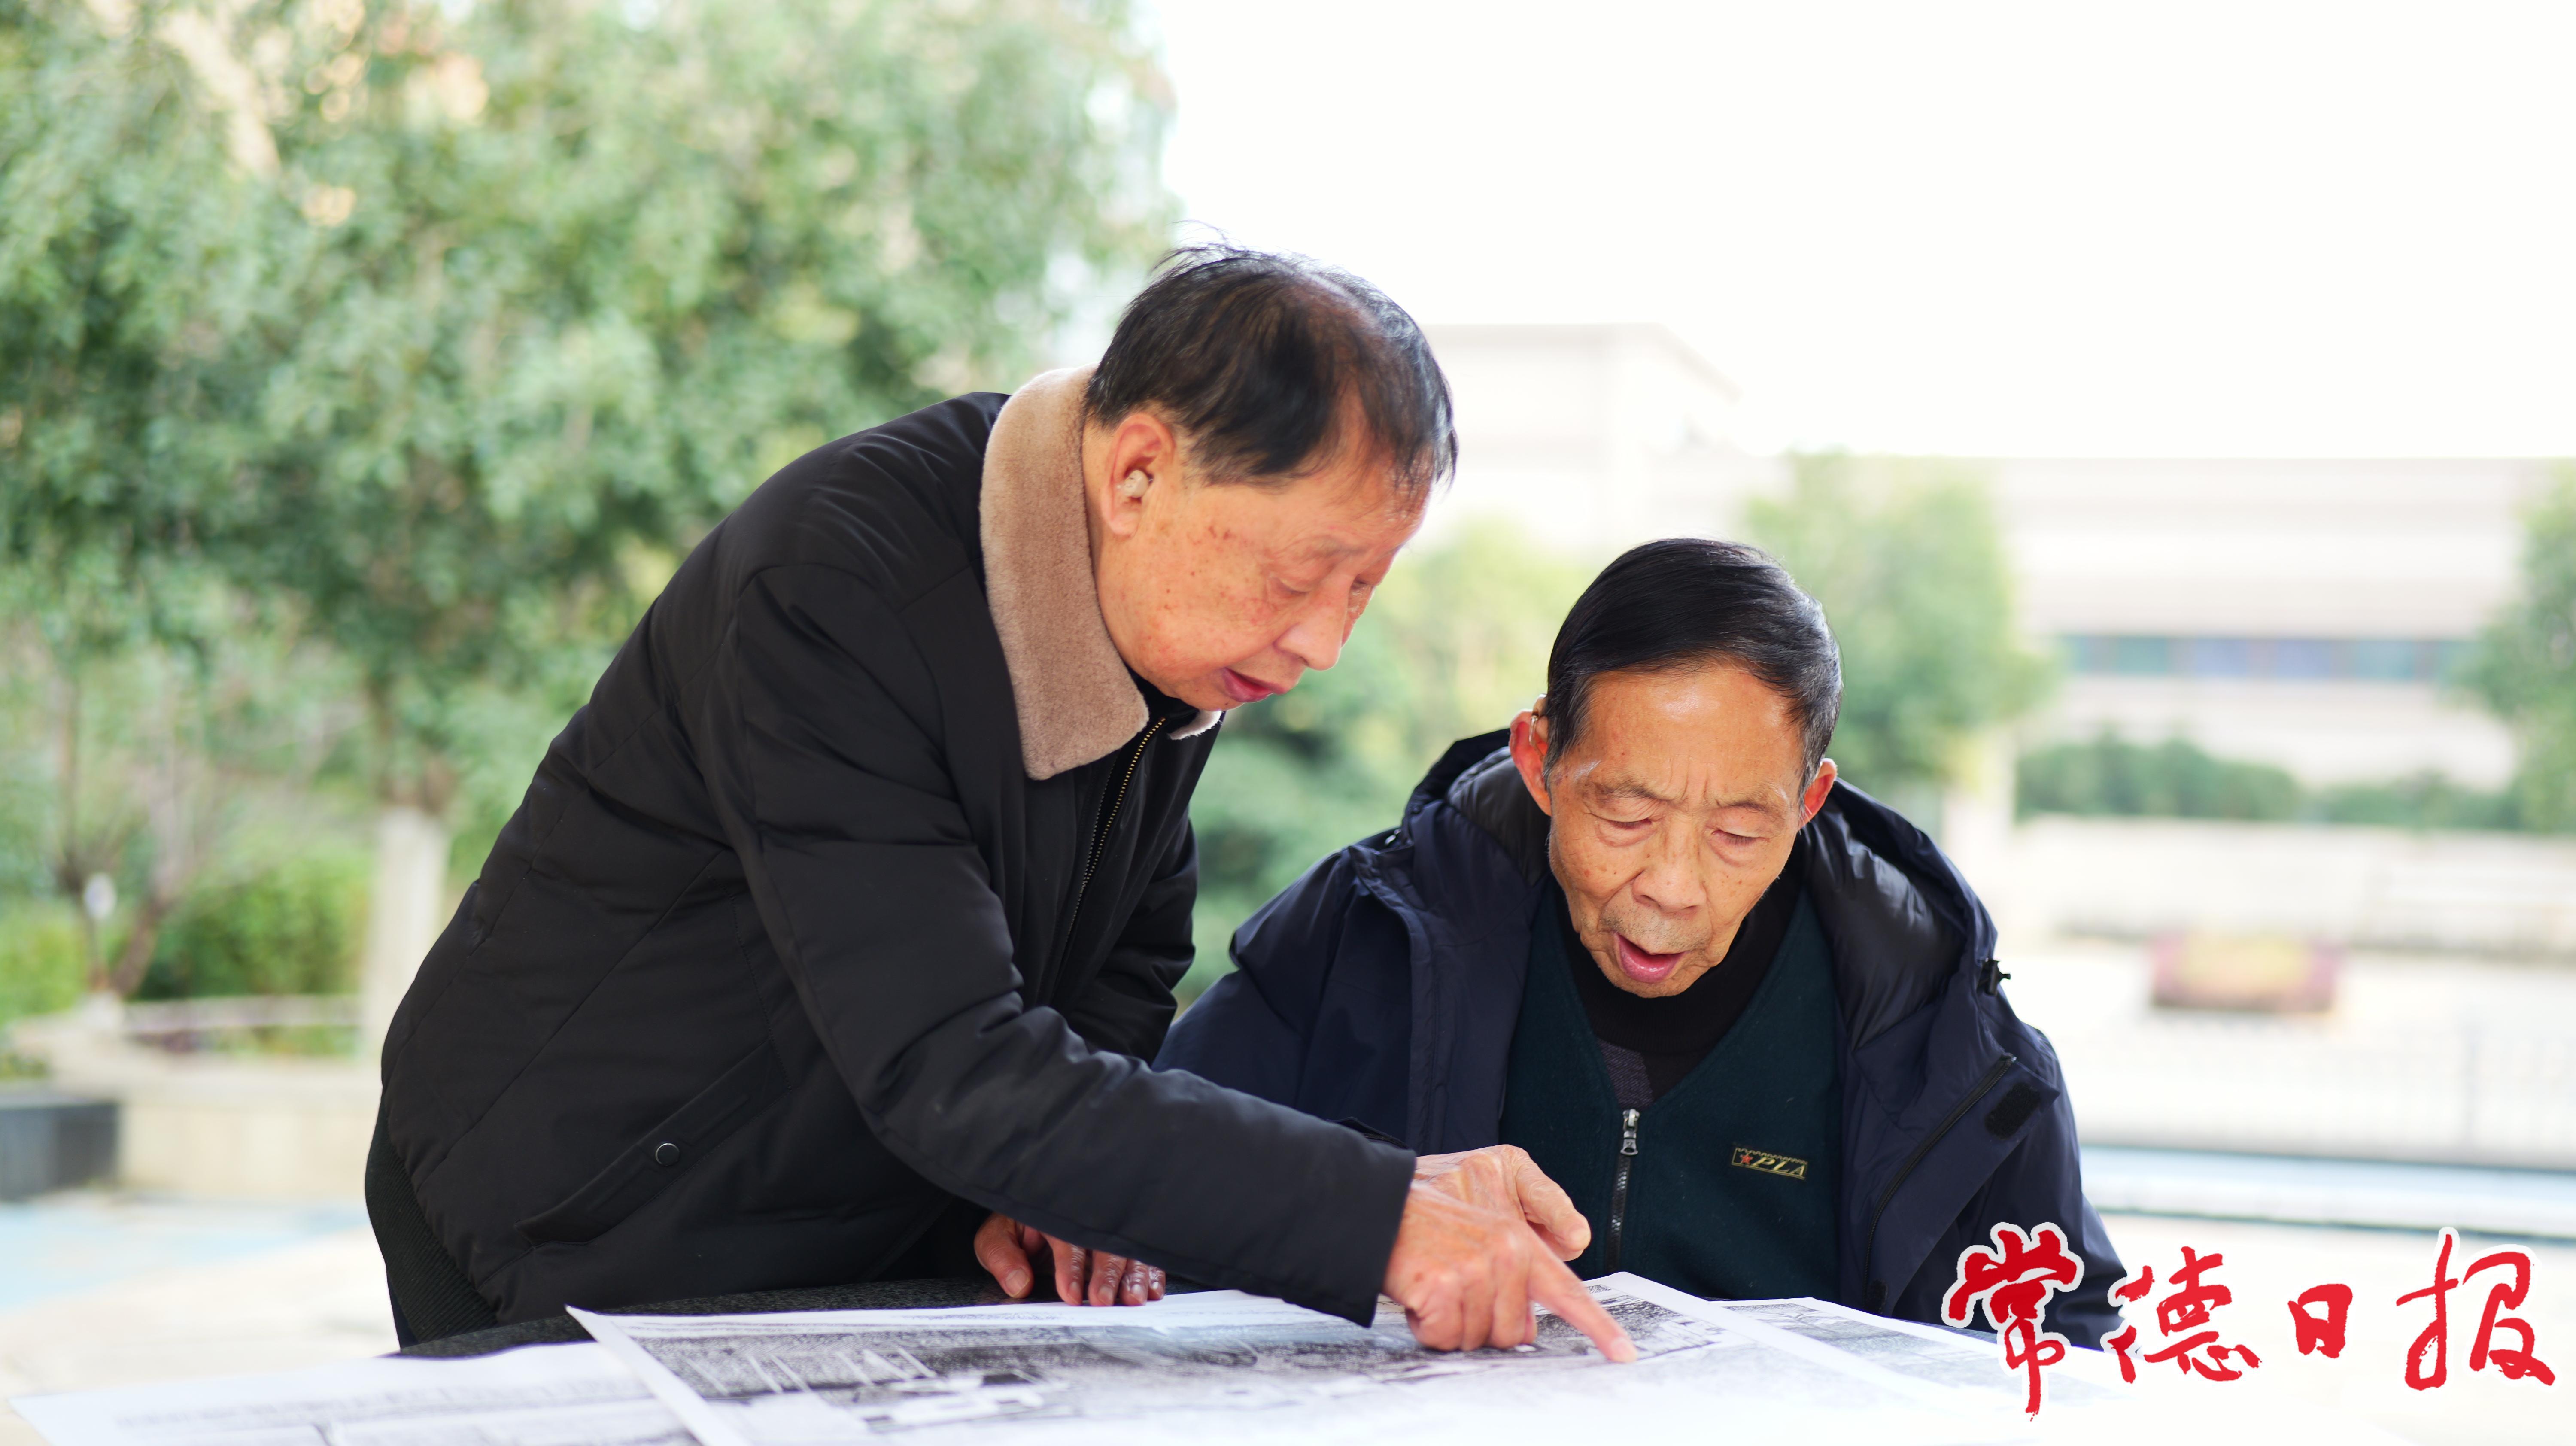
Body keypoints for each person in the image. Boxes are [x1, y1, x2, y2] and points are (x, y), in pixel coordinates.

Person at [366, 246, 1632, 1362]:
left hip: (836, 1224)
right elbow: (951, 1064)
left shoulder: (1166, 623)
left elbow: (1129, 943)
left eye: (1363, 587)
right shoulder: (835, 591)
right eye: (1302, 576)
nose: (1324, 644)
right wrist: (1377, 1213)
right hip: (578, 1198)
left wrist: (1059, 1189)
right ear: (1139, 474)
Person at [1159, 538, 2125, 1344]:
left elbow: (2066, 1338)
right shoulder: (1366, 934)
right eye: (1625, 817)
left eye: (1737, 834)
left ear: (1808, 804)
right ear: (1539, 759)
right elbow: (1146, 1179)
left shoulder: (1942, 1029)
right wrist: (1367, 1212)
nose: (1671, 886)